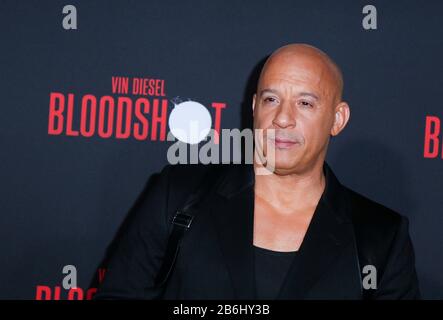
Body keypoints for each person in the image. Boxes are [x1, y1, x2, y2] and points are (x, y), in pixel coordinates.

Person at [95, 44, 420, 300]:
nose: (282, 118)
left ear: (338, 118)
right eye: (271, 99)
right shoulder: (179, 196)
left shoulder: (380, 237)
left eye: (305, 103)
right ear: (254, 108)